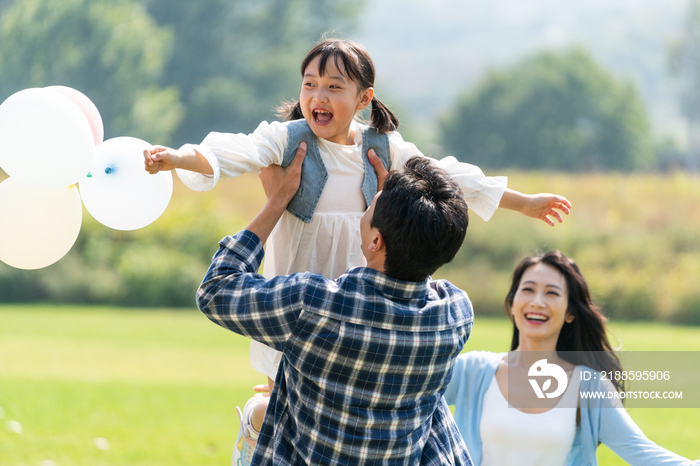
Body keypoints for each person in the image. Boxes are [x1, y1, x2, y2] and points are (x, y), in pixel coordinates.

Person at [144, 37, 571, 463]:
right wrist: (179, 158)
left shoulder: (383, 148)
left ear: (364, 98)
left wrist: (524, 202)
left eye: (333, 86)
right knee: (283, 403)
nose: (317, 96)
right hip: (303, 302)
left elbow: (450, 176)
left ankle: (259, 426)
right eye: (309, 84)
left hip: (364, 305)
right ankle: (257, 432)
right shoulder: (288, 140)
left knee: (299, 407)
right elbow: (234, 151)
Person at [197, 154, 475, 465]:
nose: (368, 204)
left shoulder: (315, 306)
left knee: (258, 410)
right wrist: (408, 228)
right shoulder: (455, 314)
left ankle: (253, 425)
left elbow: (215, 290)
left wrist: (277, 201)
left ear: (375, 240)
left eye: (372, 203)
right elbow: (418, 265)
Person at [444, 251, 700, 466]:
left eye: (552, 293)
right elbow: (408, 404)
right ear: (512, 303)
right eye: (528, 290)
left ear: (570, 313)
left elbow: (643, 453)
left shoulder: (589, 386)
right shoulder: (472, 371)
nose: (537, 302)